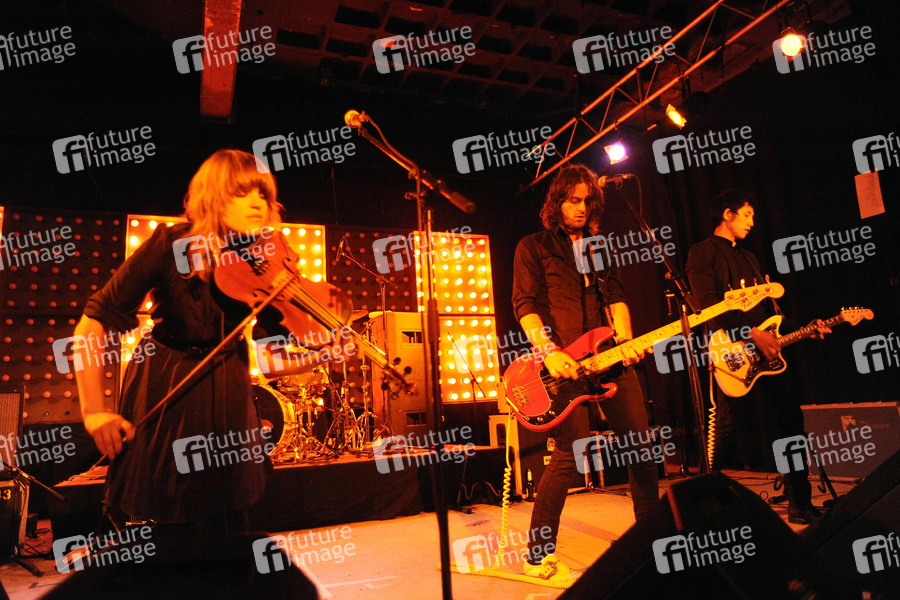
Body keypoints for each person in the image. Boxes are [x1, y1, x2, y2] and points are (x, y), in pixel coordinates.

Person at [74, 149, 326, 539]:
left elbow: (271, 363)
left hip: (229, 382)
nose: (258, 202)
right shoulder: (171, 243)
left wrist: (323, 353)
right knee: (165, 506)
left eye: (263, 194)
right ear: (214, 196)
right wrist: (93, 411)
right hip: (167, 378)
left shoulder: (266, 260)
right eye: (243, 192)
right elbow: (92, 324)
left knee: (228, 514)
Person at [511, 164, 660, 584]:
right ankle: (537, 556)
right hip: (562, 364)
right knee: (568, 455)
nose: (580, 208)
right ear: (556, 201)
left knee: (641, 449)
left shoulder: (599, 247)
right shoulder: (532, 246)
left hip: (608, 357)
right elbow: (525, 305)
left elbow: (615, 296)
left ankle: (651, 543)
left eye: (587, 201)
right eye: (573, 200)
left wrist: (626, 340)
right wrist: (549, 352)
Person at [685, 189, 829, 524]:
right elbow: (706, 305)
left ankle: (800, 502)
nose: (753, 222)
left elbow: (770, 313)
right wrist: (750, 333)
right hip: (729, 351)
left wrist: (804, 328)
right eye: (747, 214)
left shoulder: (749, 257)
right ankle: (700, 506)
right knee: (723, 426)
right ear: (727, 214)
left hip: (766, 353)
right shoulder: (702, 252)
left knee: (790, 420)